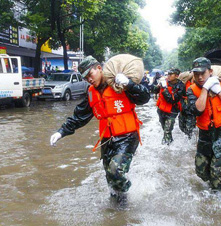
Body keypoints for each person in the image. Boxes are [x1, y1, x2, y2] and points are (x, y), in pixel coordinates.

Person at [50, 56, 150, 200]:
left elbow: (144, 97)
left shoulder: (119, 84)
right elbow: (79, 116)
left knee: (115, 172)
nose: (89, 79)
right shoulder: (91, 92)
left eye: (90, 74)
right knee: (110, 180)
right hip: (107, 140)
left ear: (99, 68)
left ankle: (133, 192)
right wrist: (61, 132)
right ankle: (120, 208)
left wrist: (129, 84)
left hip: (127, 137)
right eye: (85, 78)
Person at [187, 57, 221, 192]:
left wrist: (219, 91)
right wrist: (205, 88)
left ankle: (218, 197)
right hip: (205, 135)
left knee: (216, 173)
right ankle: (214, 182)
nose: (199, 77)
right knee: (200, 171)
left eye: (202, 73)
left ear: (210, 71)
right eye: (196, 74)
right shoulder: (191, 89)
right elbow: (197, 110)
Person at [155, 68, 185, 145]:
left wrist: (164, 89)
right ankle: (170, 143)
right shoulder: (164, 82)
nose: (168, 76)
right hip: (161, 109)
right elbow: (153, 91)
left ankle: (166, 148)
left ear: (176, 76)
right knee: (164, 129)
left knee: (167, 130)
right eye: (168, 74)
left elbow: (171, 100)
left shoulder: (181, 86)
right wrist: (158, 86)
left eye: (170, 74)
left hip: (172, 111)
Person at [178, 72, 196, 139]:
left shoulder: (193, 85)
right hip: (183, 109)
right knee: (182, 126)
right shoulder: (181, 86)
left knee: (189, 129)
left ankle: (190, 139)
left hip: (190, 111)